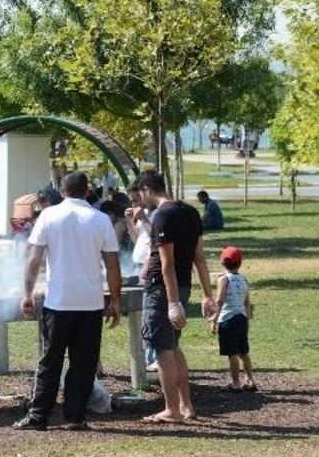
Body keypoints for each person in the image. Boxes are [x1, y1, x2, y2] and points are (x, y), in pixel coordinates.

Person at [13, 171, 122, 431]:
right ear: (87, 192)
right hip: (91, 303)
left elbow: (34, 259)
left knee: (50, 362)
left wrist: (27, 293)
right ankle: (75, 416)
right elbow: (112, 263)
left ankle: (38, 417)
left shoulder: (49, 216)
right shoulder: (101, 219)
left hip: (58, 303)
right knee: (83, 364)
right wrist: (115, 299)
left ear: (61, 192)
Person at [136, 170, 215, 424]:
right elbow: (200, 259)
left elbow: (167, 263)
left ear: (147, 189)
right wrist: (207, 296)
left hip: (163, 290)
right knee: (173, 346)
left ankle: (172, 410)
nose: (141, 201)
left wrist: (171, 303)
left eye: (140, 194)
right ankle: (186, 406)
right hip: (183, 286)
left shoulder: (163, 215)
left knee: (162, 349)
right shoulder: (191, 212)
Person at [212, 246, 257, 392]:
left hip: (227, 319)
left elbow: (219, 300)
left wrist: (214, 319)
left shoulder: (223, 280)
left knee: (232, 353)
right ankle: (250, 380)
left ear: (222, 263)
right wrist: (247, 318)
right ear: (240, 263)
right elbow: (247, 302)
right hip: (241, 318)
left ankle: (235, 382)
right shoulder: (244, 279)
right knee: (243, 352)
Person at [124, 184, 159, 371]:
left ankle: (153, 356)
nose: (134, 203)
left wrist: (144, 218)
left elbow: (157, 236)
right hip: (139, 264)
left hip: (149, 265)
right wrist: (130, 221)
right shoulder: (141, 215)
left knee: (149, 310)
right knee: (142, 310)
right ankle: (147, 355)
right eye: (132, 200)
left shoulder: (154, 214)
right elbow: (136, 239)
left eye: (136, 199)